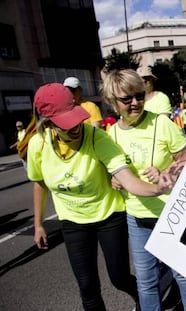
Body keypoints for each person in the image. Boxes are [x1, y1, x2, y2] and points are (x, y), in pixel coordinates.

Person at [27, 83, 174, 311]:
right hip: (73, 221)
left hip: (108, 217)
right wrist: (38, 225)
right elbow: (39, 183)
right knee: (87, 287)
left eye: (75, 118)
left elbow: (128, 180)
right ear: (48, 122)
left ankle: (145, 301)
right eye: (65, 124)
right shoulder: (38, 144)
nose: (75, 126)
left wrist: (158, 189)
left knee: (119, 278)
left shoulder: (98, 138)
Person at [101, 69, 186, 311]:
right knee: (146, 282)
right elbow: (113, 170)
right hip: (136, 216)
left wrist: (168, 171)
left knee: (183, 275)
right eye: (127, 99)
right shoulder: (111, 133)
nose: (135, 103)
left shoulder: (162, 123)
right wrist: (113, 180)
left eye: (138, 95)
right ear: (113, 102)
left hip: (171, 212)